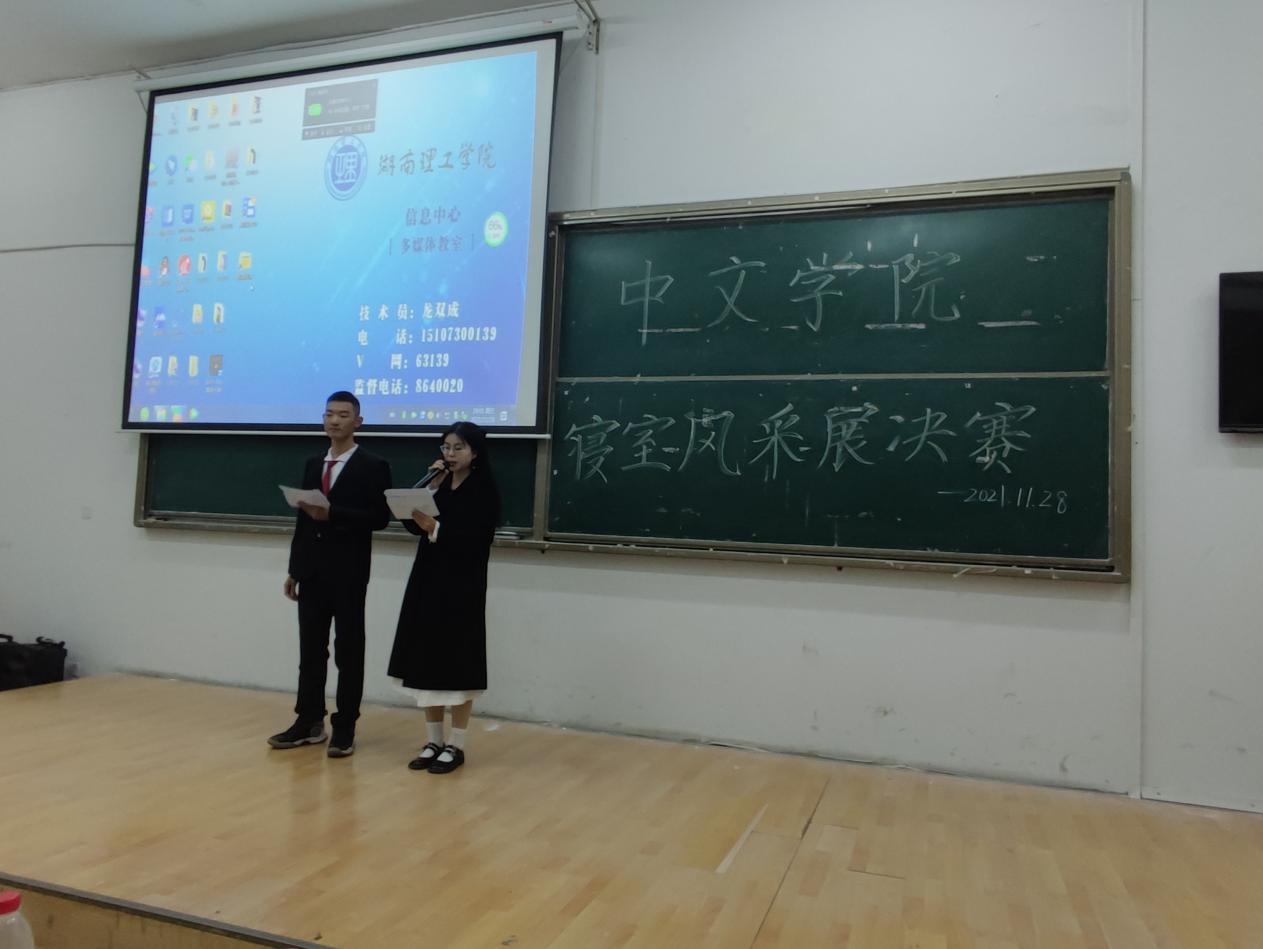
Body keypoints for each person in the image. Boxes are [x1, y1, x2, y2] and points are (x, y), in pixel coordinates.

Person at [269, 391, 392, 757]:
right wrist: (295, 569)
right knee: (311, 650)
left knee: (348, 650)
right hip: (312, 570)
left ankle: (345, 725)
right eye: (329, 414)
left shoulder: (373, 465)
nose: (335, 420)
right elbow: (304, 521)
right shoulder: (313, 463)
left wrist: (333, 514)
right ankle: (308, 720)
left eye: (343, 414)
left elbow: (380, 518)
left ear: (358, 422)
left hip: (349, 571)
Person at [388, 421, 501, 774]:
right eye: (446, 447)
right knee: (426, 661)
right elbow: (413, 523)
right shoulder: (439, 484)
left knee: (457, 664)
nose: (450, 454)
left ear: (475, 453)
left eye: (458, 448)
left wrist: (435, 528)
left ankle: (457, 744)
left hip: (461, 588)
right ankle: (433, 740)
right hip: (427, 583)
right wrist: (427, 491)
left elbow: (476, 540)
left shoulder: (484, 490)